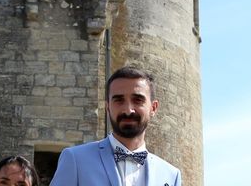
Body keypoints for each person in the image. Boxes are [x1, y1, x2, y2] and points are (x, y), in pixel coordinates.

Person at [50, 66, 181, 186]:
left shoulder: (171, 175)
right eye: (119, 100)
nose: (128, 110)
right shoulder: (75, 160)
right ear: (107, 107)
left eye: (137, 100)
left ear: (153, 107)